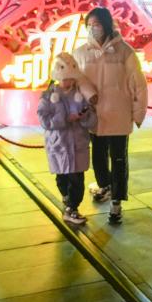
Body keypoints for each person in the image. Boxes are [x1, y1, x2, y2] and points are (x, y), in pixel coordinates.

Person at [74, 7, 147, 225]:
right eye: (89, 25)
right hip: (95, 117)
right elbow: (76, 80)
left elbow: (139, 85)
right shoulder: (81, 52)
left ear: (106, 25)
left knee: (118, 159)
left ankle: (116, 203)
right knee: (98, 158)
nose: (92, 28)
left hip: (119, 116)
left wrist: (138, 112)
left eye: (96, 24)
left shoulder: (125, 52)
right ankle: (105, 186)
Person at [38, 53, 98, 226]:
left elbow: (92, 119)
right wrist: (64, 119)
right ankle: (68, 200)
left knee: (77, 179)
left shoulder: (79, 94)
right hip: (59, 145)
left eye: (72, 78)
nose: (69, 82)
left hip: (78, 144)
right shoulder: (49, 95)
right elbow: (43, 119)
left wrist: (85, 116)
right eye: (65, 79)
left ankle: (72, 208)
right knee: (62, 177)